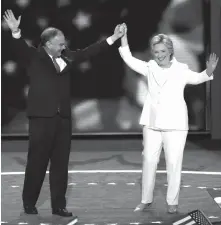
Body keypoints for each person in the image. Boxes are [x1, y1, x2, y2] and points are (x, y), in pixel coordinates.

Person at [3, 9, 124, 218]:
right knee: (37, 163)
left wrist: (113, 37)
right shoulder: (34, 56)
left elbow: (89, 51)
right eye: (60, 44)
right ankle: (29, 203)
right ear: (48, 44)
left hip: (63, 119)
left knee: (60, 165)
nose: (64, 46)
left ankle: (58, 206)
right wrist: (15, 32)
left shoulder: (67, 57)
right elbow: (18, 47)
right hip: (41, 118)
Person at [118, 23, 219, 213]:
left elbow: (198, 78)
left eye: (163, 51)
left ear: (170, 51)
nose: (159, 54)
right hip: (152, 122)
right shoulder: (149, 67)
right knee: (149, 160)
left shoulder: (181, 70)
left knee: (174, 163)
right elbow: (129, 58)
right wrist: (124, 37)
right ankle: (146, 200)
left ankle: (172, 202)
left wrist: (209, 71)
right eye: (156, 51)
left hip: (176, 124)